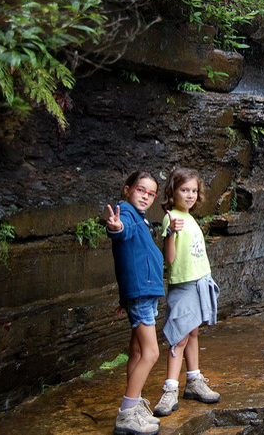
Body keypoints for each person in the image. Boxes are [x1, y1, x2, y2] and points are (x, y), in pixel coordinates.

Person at [153, 168, 220, 417]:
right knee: (179, 336)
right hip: (183, 284)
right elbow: (169, 258)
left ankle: (193, 380)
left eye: (194, 190)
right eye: (184, 190)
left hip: (199, 281)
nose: (190, 195)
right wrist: (171, 232)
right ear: (173, 192)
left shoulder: (190, 218)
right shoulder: (172, 218)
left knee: (192, 332)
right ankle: (170, 389)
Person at [105, 171, 164, 435]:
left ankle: (135, 402)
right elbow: (121, 231)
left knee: (138, 351)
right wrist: (116, 227)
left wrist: (124, 298)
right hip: (141, 293)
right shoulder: (126, 213)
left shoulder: (141, 218)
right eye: (141, 190)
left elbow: (129, 259)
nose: (146, 197)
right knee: (152, 353)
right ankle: (127, 413)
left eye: (151, 194)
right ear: (127, 189)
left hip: (142, 293)